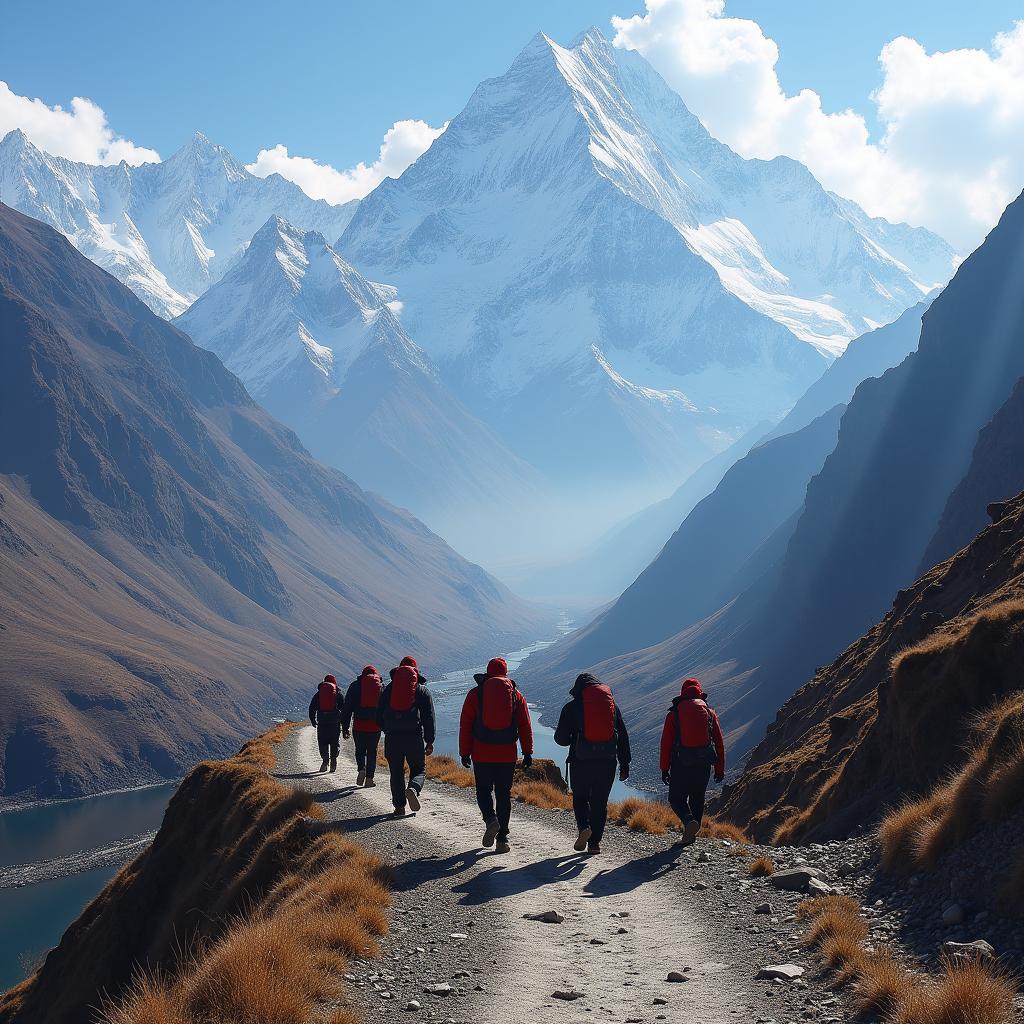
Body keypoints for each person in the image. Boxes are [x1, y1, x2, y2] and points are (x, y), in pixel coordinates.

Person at [459, 657, 534, 854]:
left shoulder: (475, 695)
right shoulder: (515, 695)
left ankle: (491, 820)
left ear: (488, 672)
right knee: (503, 795)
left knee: (483, 791)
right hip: (507, 754)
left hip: (482, 753)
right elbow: (525, 725)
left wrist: (464, 752)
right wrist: (527, 752)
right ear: (506, 673)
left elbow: (466, 725)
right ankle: (502, 839)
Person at [554, 672, 631, 855]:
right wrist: (625, 764)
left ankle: (583, 828)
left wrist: (575, 736)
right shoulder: (612, 707)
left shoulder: (571, 708)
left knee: (580, 798)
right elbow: (623, 737)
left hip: (581, 761)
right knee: (600, 802)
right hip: (608, 762)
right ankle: (594, 844)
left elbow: (560, 739)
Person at [659, 677, 725, 845]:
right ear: (700, 692)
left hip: (681, 762)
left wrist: (664, 768)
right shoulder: (710, 712)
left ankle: (688, 822)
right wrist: (719, 769)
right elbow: (718, 742)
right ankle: (690, 835)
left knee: (676, 798)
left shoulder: (674, 714)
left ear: (683, 693)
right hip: (704, 763)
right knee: (697, 798)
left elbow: (666, 744)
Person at [378, 656, 435, 816]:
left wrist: (387, 730)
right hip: (414, 737)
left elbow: (378, 715)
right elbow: (428, 717)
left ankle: (399, 807)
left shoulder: (388, 689)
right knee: (419, 769)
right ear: (415, 671)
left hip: (392, 738)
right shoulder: (421, 690)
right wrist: (429, 741)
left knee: (396, 772)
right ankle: (413, 789)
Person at [342, 665, 383, 787]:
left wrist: (345, 727)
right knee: (372, 752)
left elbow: (347, 708)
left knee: (360, 751)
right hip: (375, 727)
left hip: (359, 726)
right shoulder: (381, 686)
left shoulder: (355, 686)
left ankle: (361, 769)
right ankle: (369, 779)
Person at [309, 674, 343, 773]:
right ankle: (333, 762)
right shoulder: (338, 693)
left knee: (322, 742)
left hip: (322, 722)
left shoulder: (319, 693)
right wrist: (343, 721)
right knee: (334, 742)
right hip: (335, 722)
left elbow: (312, 707)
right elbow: (343, 707)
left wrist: (313, 720)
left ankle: (325, 761)